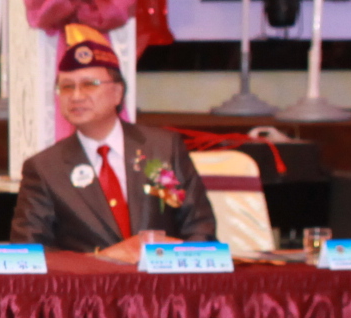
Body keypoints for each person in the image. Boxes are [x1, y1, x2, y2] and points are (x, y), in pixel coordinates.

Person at [12, 24, 214, 260]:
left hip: (163, 279)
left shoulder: (163, 148)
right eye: (67, 87)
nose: (76, 96)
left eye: (89, 84)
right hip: (89, 283)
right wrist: (104, 259)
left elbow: (200, 230)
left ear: (118, 93)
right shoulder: (45, 168)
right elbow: (28, 254)